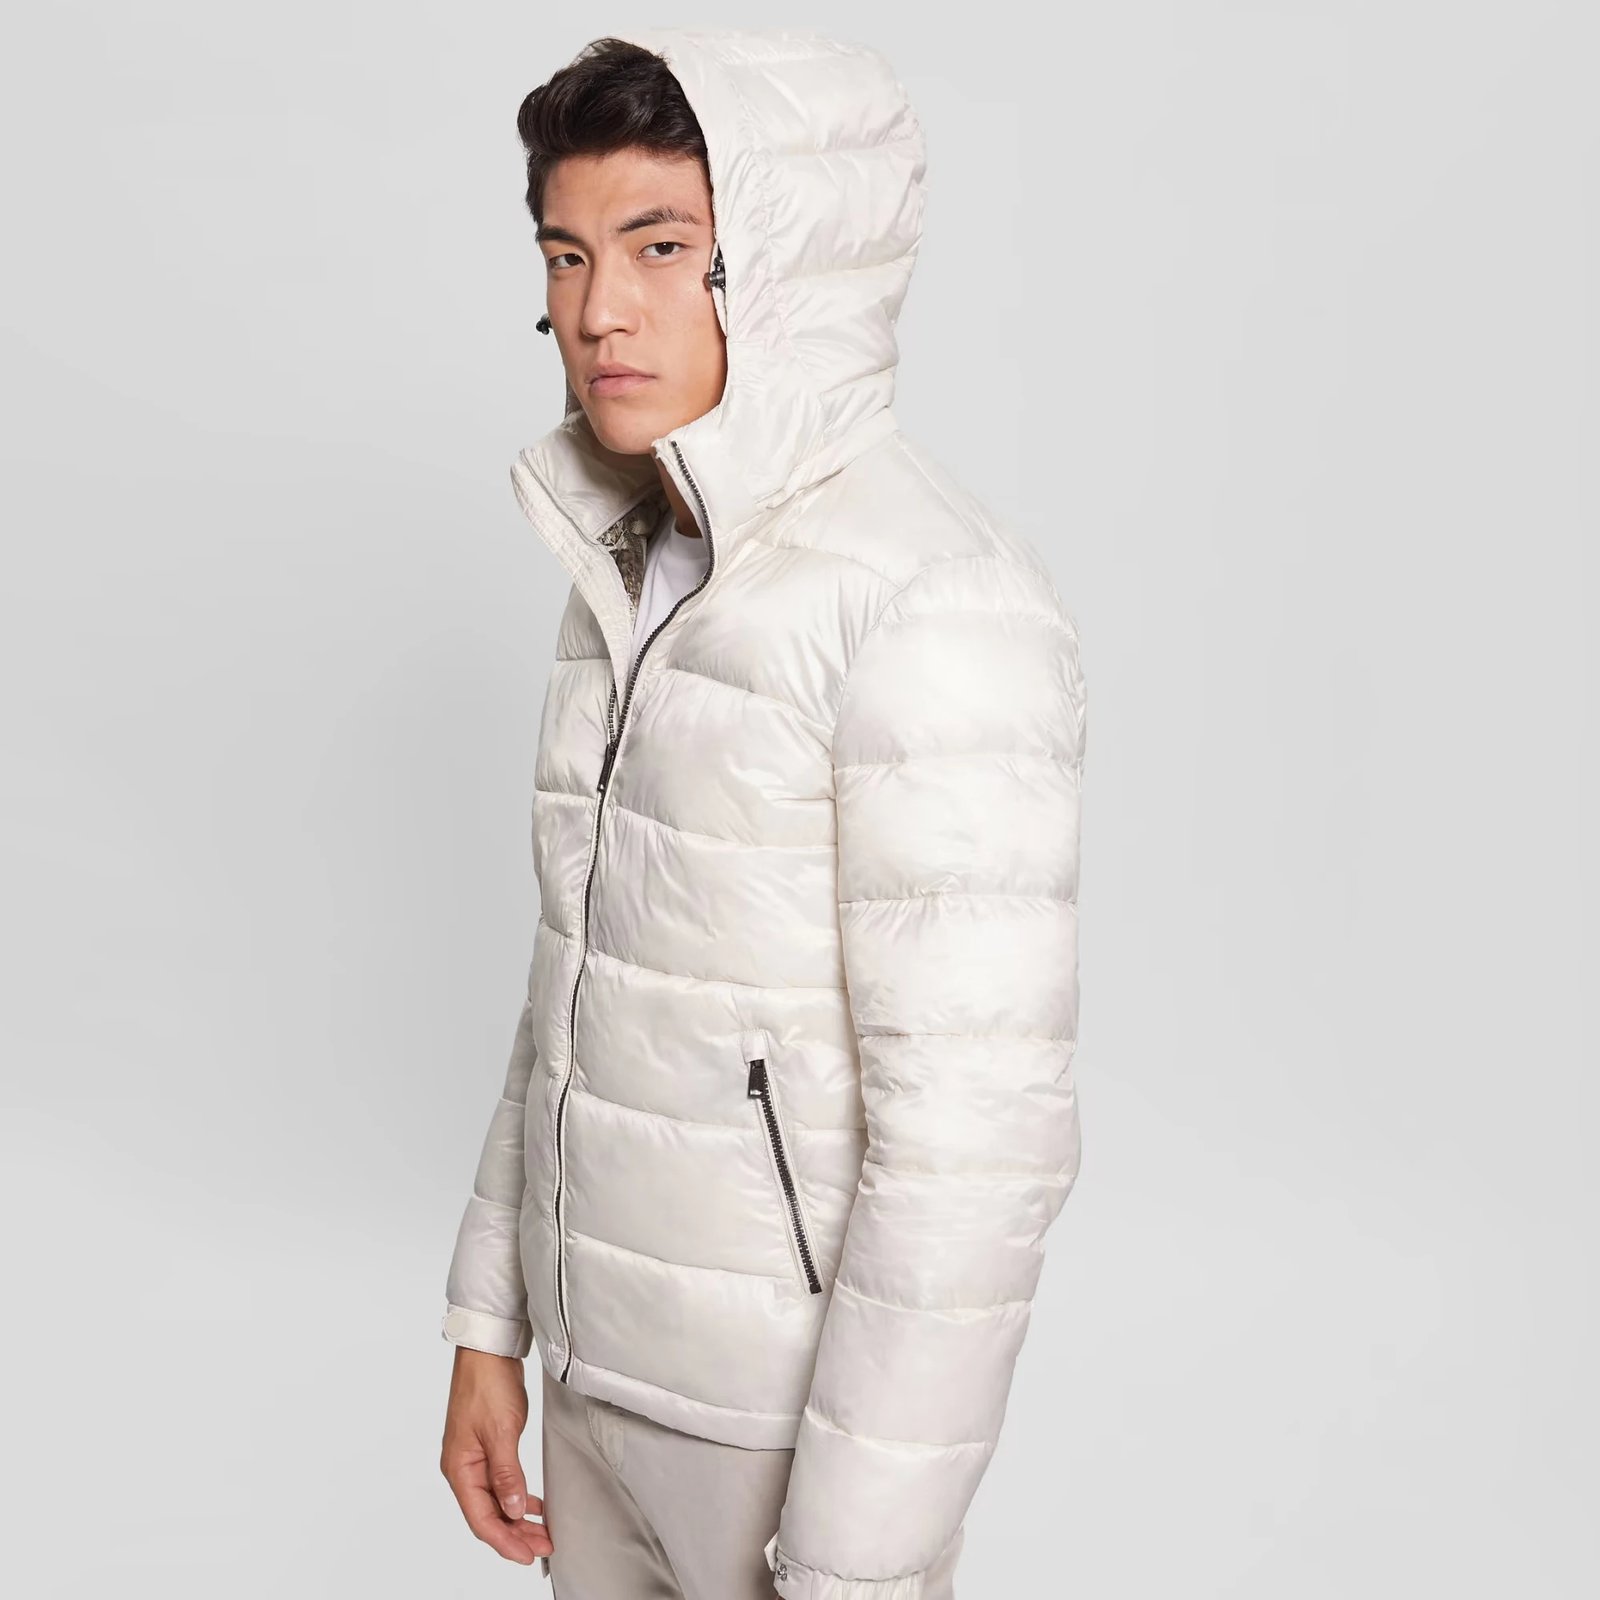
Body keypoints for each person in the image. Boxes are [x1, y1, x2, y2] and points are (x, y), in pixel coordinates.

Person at [437, 26, 1089, 1600]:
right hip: (596, 1382)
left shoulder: (934, 600)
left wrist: (858, 1557)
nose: (600, 309)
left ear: (786, 269)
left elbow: (975, 1150)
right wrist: (489, 1323)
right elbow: (575, 980)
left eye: (662, 246)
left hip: (779, 1436)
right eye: (568, 255)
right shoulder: (624, 571)